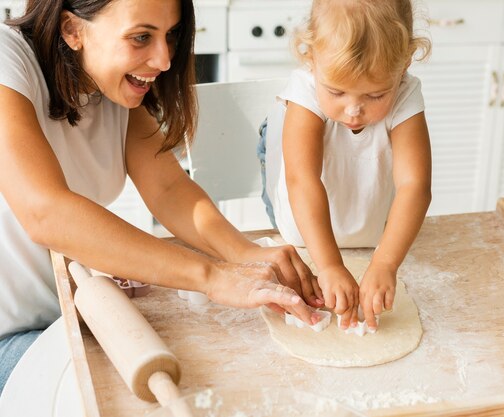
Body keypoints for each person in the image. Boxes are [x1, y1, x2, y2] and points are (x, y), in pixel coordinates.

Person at [0, 0, 323, 393]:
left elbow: (169, 189)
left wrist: (244, 253)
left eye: (170, 35)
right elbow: (46, 212)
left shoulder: (107, 83)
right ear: (73, 30)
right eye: (141, 37)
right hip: (11, 335)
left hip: (72, 312)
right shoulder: (7, 62)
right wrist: (212, 276)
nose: (165, 59)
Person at [259, 0, 432, 332]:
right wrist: (328, 266)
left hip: (370, 228)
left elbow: (415, 187)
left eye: (375, 95)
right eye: (336, 92)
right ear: (311, 58)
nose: (353, 110)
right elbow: (302, 180)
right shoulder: (306, 90)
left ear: (405, 64)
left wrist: (384, 262)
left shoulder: (406, 93)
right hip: (305, 236)